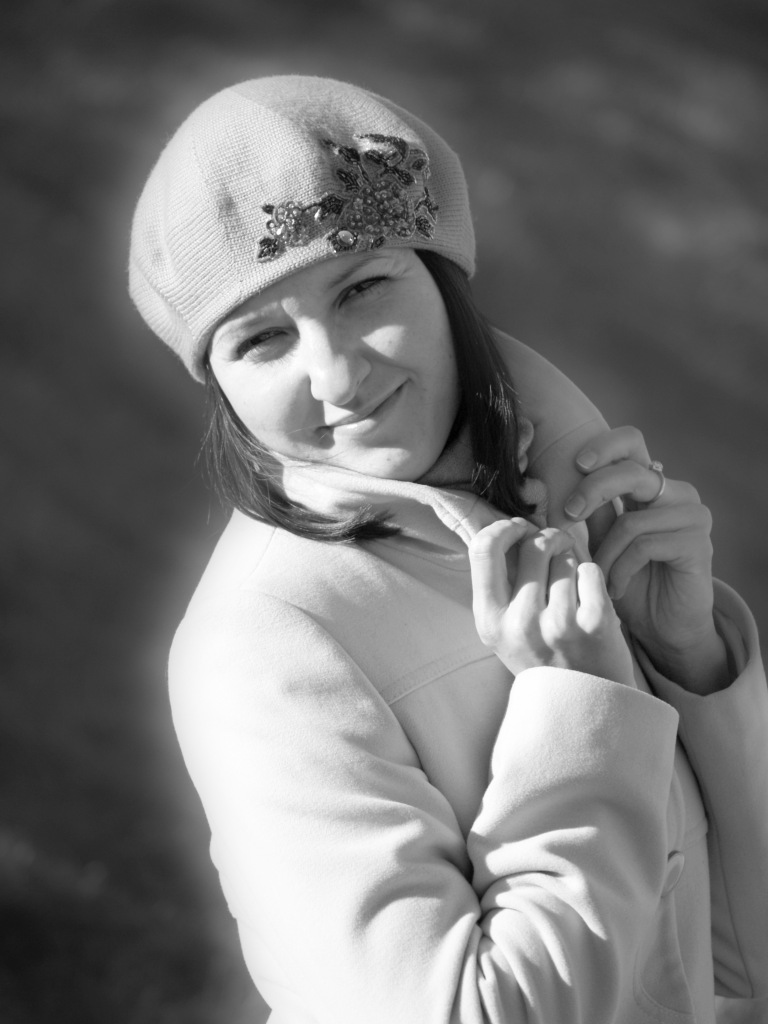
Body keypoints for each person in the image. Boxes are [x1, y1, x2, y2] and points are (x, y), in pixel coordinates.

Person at [128, 76, 768, 1023]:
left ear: (443, 281)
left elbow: (736, 965)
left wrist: (692, 665)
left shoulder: (570, 507)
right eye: (261, 341)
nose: (337, 375)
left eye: (362, 288)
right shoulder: (266, 645)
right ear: (218, 384)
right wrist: (579, 709)